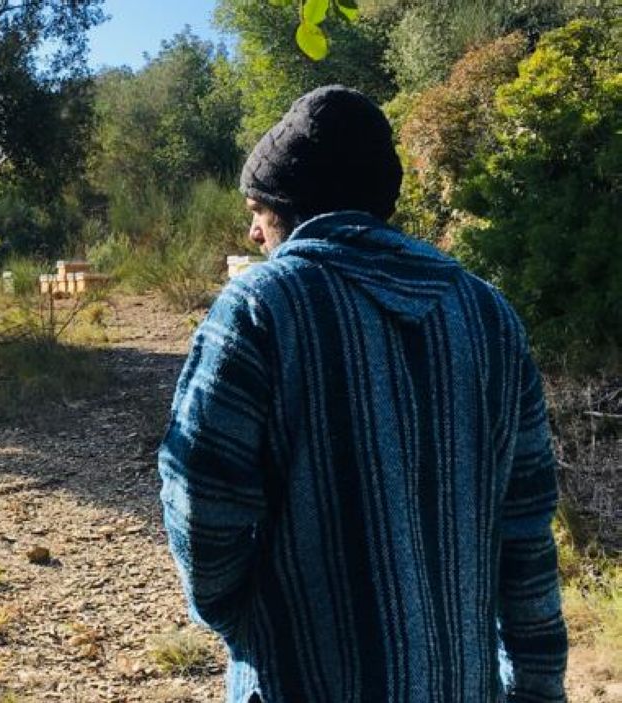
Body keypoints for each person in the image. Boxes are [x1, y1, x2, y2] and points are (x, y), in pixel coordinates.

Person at [157, 85, 568, 702]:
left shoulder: (259, 310)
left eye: (257, 211)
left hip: (302, 680)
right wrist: (537, 690)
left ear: (290, 208)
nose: (252, 232)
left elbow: (200, 500)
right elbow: (527, 530)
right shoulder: (490, 318)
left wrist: (240, 615)